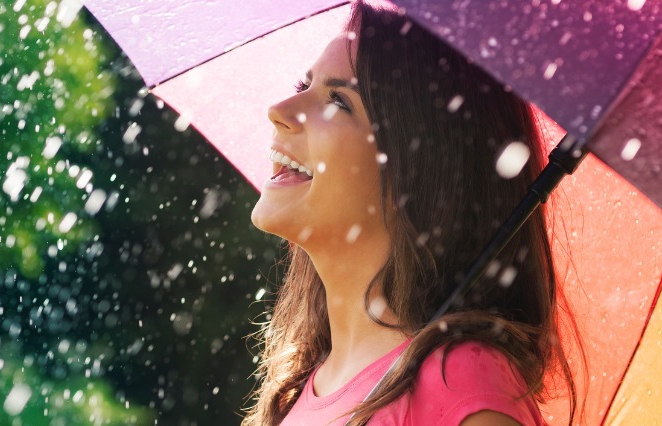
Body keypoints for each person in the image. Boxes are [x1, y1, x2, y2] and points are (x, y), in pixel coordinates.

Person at [243, 2, 581, 425]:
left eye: (338, 101)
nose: (280, 109)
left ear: (420, 172)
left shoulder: (462, 385)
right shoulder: (301, 389)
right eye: (302, 84)